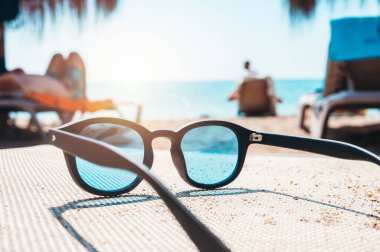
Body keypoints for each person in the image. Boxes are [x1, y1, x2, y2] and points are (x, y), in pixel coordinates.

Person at [0, 52, 86, 99]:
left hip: (49, 81)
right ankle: (81, 96)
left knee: (57, 56)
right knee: (74, 56)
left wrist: (12, 73)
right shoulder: (8, 81)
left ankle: (81, 94)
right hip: (67, 89)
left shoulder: (8, 79)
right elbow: (15, 85)